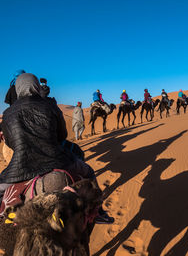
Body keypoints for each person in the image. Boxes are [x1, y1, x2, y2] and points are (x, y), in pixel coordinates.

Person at [0, 73, 113, 223]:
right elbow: (62, 134)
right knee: (89, 172)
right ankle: (98, 211)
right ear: (36, 86)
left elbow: (9, 142)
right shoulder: (49, 105)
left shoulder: (8, 114)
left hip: (21, 166)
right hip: (56, 159)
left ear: (18, 88)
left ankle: (3, 216)